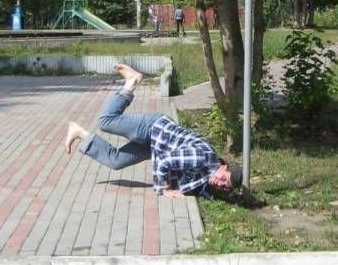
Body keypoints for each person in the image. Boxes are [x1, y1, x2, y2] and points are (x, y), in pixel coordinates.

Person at [65, 64, 242, 198]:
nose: (220, 183)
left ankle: (79, 132)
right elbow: (165, 162)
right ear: (223, 167)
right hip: (155, 128)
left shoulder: (208, 171)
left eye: (224, 186)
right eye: (224, 179)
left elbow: (187, 180)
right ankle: (132, 81)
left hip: (156, 146)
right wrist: (164, 189)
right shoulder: (203, 158)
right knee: (106, 121)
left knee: (116, 161)